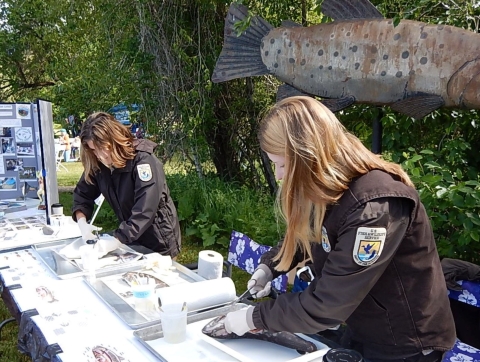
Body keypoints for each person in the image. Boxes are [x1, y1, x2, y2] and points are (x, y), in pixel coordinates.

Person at [223, 96, 455, 362]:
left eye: (283, 165)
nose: (278, 175)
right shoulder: (333, 188)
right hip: (364, 322)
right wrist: (270, 267)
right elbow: (309, 236)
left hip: (404, 341)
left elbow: (329, 303)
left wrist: (255, 317)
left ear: (310, 156)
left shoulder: (376, 207)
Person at [72, 112, 181, 257]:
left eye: (103, 148)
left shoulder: (143, 161)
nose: (100, 155)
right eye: (93, 150)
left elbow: (145, 210)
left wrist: (117, 239)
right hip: (129, 239)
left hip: (158, 239)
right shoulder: (99, 163)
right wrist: (82, 223)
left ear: (113, 140)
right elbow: (83, 194)